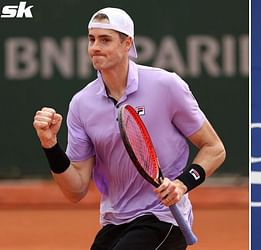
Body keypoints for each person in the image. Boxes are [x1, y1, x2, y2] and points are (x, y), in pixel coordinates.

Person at [32, 7, 225, 250]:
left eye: (105, 40)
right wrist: (50, 145)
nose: (95, 47)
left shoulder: (166, 85)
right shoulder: (82, 103)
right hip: (115, 221)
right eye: (91, 39)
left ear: (127, 44)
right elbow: (75, 190)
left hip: (162, 218)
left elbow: (214, 148)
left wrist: (181, 184)